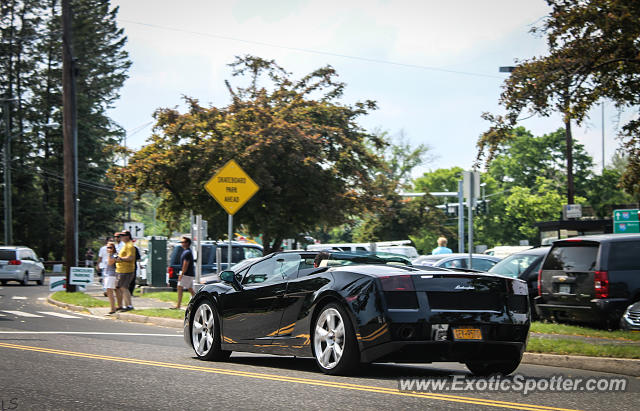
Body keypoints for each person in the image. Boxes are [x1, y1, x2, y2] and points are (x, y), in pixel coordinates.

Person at [114, 230, 136, 312]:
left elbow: (131, 257)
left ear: (127, 236)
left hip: (126, 270)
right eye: (120, 236)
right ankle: (122, 305)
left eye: (123, 235)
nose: (121, 237)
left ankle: (129, 305)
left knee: (124, 287)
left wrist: (121, 259)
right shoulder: (125, 245)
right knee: (119, 288)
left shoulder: (130, 245)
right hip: (120, 270)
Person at [173, 236, 195, 309]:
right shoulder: (186, 252)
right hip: (187, 274)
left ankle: (178, 305)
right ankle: (197, 301)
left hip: (187, 274)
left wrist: (181, 274)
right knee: (190, 289)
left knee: (180, 287)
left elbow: (185, 264)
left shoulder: (187, 252)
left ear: (187, 243)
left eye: (183, 242)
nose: (181, 243)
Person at [103, 242, 118, 314]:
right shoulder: (109, 255)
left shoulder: (114, 255)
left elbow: (110, 263)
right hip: (107, 274)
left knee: (110, 291)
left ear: (113, 248)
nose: (108, 249)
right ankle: (113, 307)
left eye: (110, 247)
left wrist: (109, 254)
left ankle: (113, 308)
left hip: (112, 275)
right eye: (107, 247)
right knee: (109, 292)